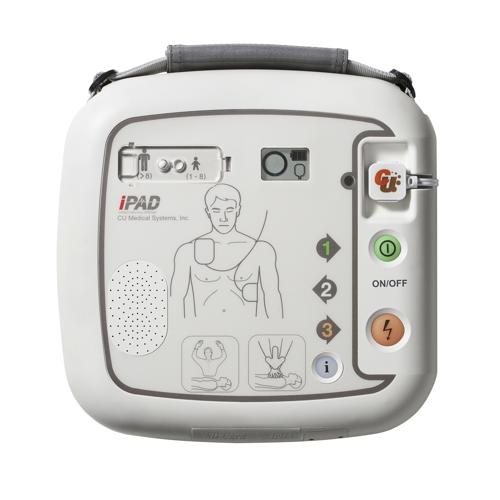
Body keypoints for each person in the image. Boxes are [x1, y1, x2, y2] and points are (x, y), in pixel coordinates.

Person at [171, 183, 283, 319]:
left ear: (238, 210)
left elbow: (272, 294)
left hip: (247, 328)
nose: (223, 218)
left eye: (229, 210)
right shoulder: (187, 252)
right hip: (203, 328)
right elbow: (176, 299)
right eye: (216, 210)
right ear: (207, 212)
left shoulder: (261, 250)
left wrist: (279, 328)